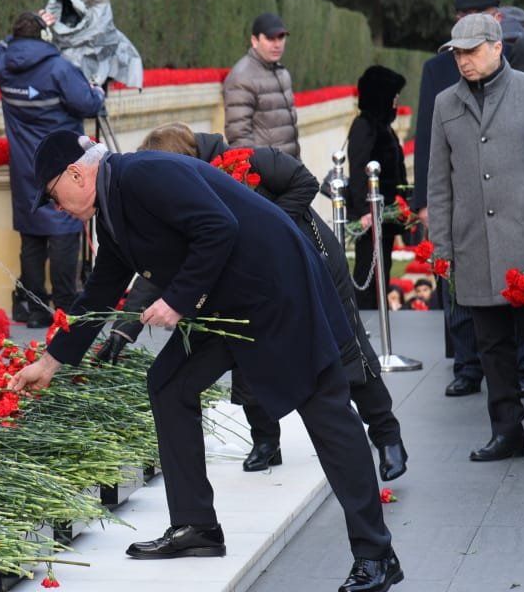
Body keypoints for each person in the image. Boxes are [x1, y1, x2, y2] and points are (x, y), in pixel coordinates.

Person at [10, 130, 403, 592]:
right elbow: (99, 291)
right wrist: (50, 364)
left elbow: (218, 226)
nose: (57, 208)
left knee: (325, 411)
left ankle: (377, 554)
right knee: (168, 383)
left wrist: (176, 301)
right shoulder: (113, 207)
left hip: (275, 291)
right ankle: (196, 526)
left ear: (76, 173)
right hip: (227, 302)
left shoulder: (142, 175)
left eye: (54, 195)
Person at [123, 122, 407, 481]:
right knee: (245, 349)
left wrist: (269, 227)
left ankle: (387, 435)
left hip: (309, 258)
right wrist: (124, 328)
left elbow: (303, 182)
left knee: (346, 345)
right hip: (253, 280)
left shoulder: (248, 160)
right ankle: (265, 440)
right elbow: (157, 268)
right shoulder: (180, 198)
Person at [427, 13, 524, 462]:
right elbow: (439, 183)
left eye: (472, 50)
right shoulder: (445, 104)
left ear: (498, 46)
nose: (463, 60)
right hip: (473, 243)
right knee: (491, 346)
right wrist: (442, 246)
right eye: (457, 52)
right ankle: (507, 431)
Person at [411, 0, 524, 399]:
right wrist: (424, 203)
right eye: (462, 14)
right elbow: (427, 139)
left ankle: (521, 366)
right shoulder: (437, 70)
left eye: (478, 14)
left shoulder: (521, 69)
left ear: (496, 21)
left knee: (515, 288)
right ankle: (466, 366)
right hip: (461, 203)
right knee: (457, 289)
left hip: (513, 204)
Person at [0, 10, 105, 327]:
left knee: (32, 236)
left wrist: (15, 35)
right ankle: (66, 307)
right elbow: (89, 105)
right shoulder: (60, 69)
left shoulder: (3, 67)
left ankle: (37, 308)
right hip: (61, 164)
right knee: (64, 231)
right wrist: (98, 91)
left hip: (24, 165)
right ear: (44, 36)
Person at [346, 66, 408, 309]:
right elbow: (359, 169)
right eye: (392, 96)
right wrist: (364, 211)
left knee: (382, 269)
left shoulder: (383, 126)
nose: (396, 101)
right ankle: (366, 316)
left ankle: (378, 312)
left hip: (386, 214)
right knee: (367, 271)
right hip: (371, 215)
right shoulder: (364, 126)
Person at [223, 13, 299, 158]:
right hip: (265, 174)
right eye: (270, 38)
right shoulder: (241, 76)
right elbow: (239, 137)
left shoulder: (282, 73)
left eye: (281, 37)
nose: (277, 44)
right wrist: (257, 174)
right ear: (254, 40)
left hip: (290, 170)